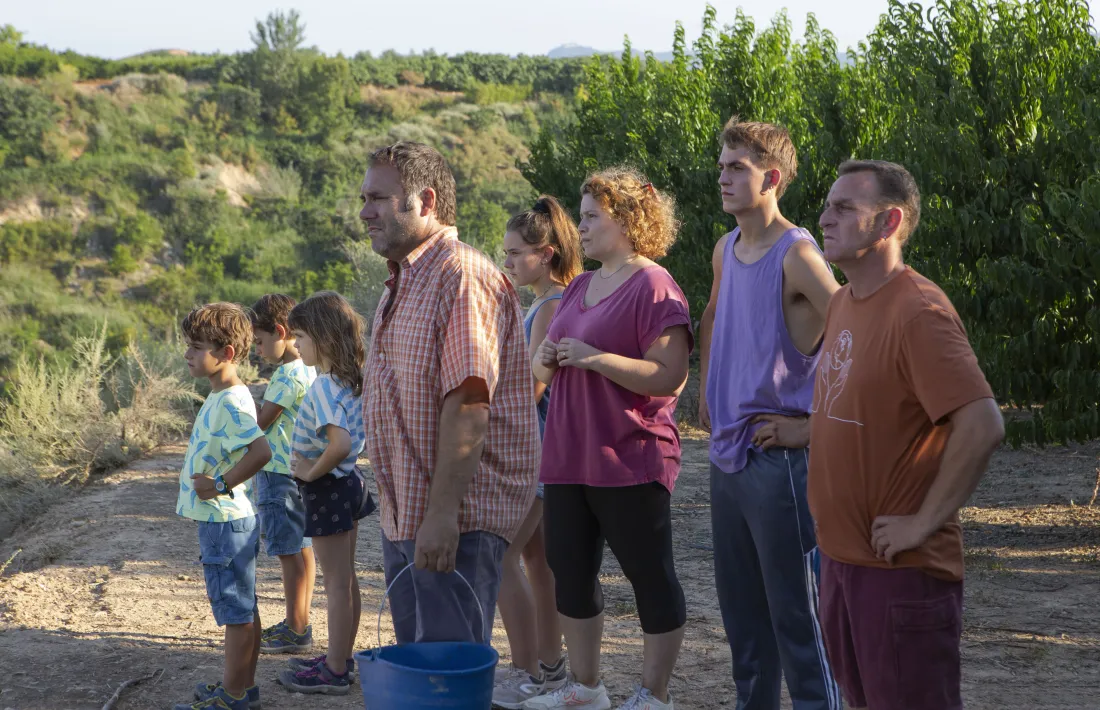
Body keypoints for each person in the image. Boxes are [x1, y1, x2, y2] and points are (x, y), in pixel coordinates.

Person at [810, 160, 1004, 710]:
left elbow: (983, 423)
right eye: (827, 204)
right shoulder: (844, 302)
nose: (825, 218)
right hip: (841, 564)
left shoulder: (919, 311)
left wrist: (924, 521)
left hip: (901, 578)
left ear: (889, 222)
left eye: (845, 208)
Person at [359, 141, 540, 646]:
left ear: (427, 200)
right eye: (364, 198)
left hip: (453, 520)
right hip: (407, 517)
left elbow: (468, 405)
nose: (364, 212)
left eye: (377, 198)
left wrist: (441, 517)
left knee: (447, 672)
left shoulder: (462, 276)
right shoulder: (402, 281)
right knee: (423, 673)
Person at [527, 168, 692, 710]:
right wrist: (546, 357)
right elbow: (542, 365)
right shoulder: (578, 286)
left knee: (650, 578)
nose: (582, 226)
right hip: (567, 457)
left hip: (630, 457)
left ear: (625, 220)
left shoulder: (654, 284)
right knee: (569, 575)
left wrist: (594, 358)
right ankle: (586, 688)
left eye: (591, 216)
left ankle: (654, 696)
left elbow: (669, 375)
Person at [697, 119, 841, 710]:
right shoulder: (724, 248)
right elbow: (710, 314)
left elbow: (861, 340)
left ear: (772, 178)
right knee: (745, 628)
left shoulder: (798, 255)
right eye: (722, 165)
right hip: (727, 457)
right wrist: (707, 386)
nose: (723, 177)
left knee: (799, 625)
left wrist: (814, 426)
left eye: (738, 168)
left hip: (779, 463)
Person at [493, 195, 581, 708]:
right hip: (547, 453)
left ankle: (528, 668)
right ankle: (547, 666)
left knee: (500, 557)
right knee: (537, 562)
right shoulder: (551, 300)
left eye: (513, 253)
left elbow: (533, 387)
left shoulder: (550, 305)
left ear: (545, 253)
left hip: (536, 454)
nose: (506, 262)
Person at [174, 303, 272, 710]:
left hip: (224, 521)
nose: (188, 355)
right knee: (243, 606)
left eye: (197, 347)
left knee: (235, 611)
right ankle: (242, 688)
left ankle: (233, 697)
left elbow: (261, 451)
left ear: (227, 352)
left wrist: (218, 485)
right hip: (229, 522)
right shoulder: (224, 394)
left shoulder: (231, 400)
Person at [276, 291, 374, 696]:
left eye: (300, 336)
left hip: (329, 487)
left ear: (323, 337)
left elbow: (339, 443)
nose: (296, 345)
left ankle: (334, 670)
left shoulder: (323, 387)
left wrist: (309, 473)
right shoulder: (349, 378)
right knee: (345, 579)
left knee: (335, 582)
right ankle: (341, 656)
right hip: (348, 485)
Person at [247, 294, 318, 656]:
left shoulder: (286, 375)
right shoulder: (310, 366)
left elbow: (260, 424)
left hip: (277, 474)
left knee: (289, 553)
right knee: (302, 550)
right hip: (300, 471)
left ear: (280, 331)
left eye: (259, 342)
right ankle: (299, 622)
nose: (258, 350)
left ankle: (295, 628)